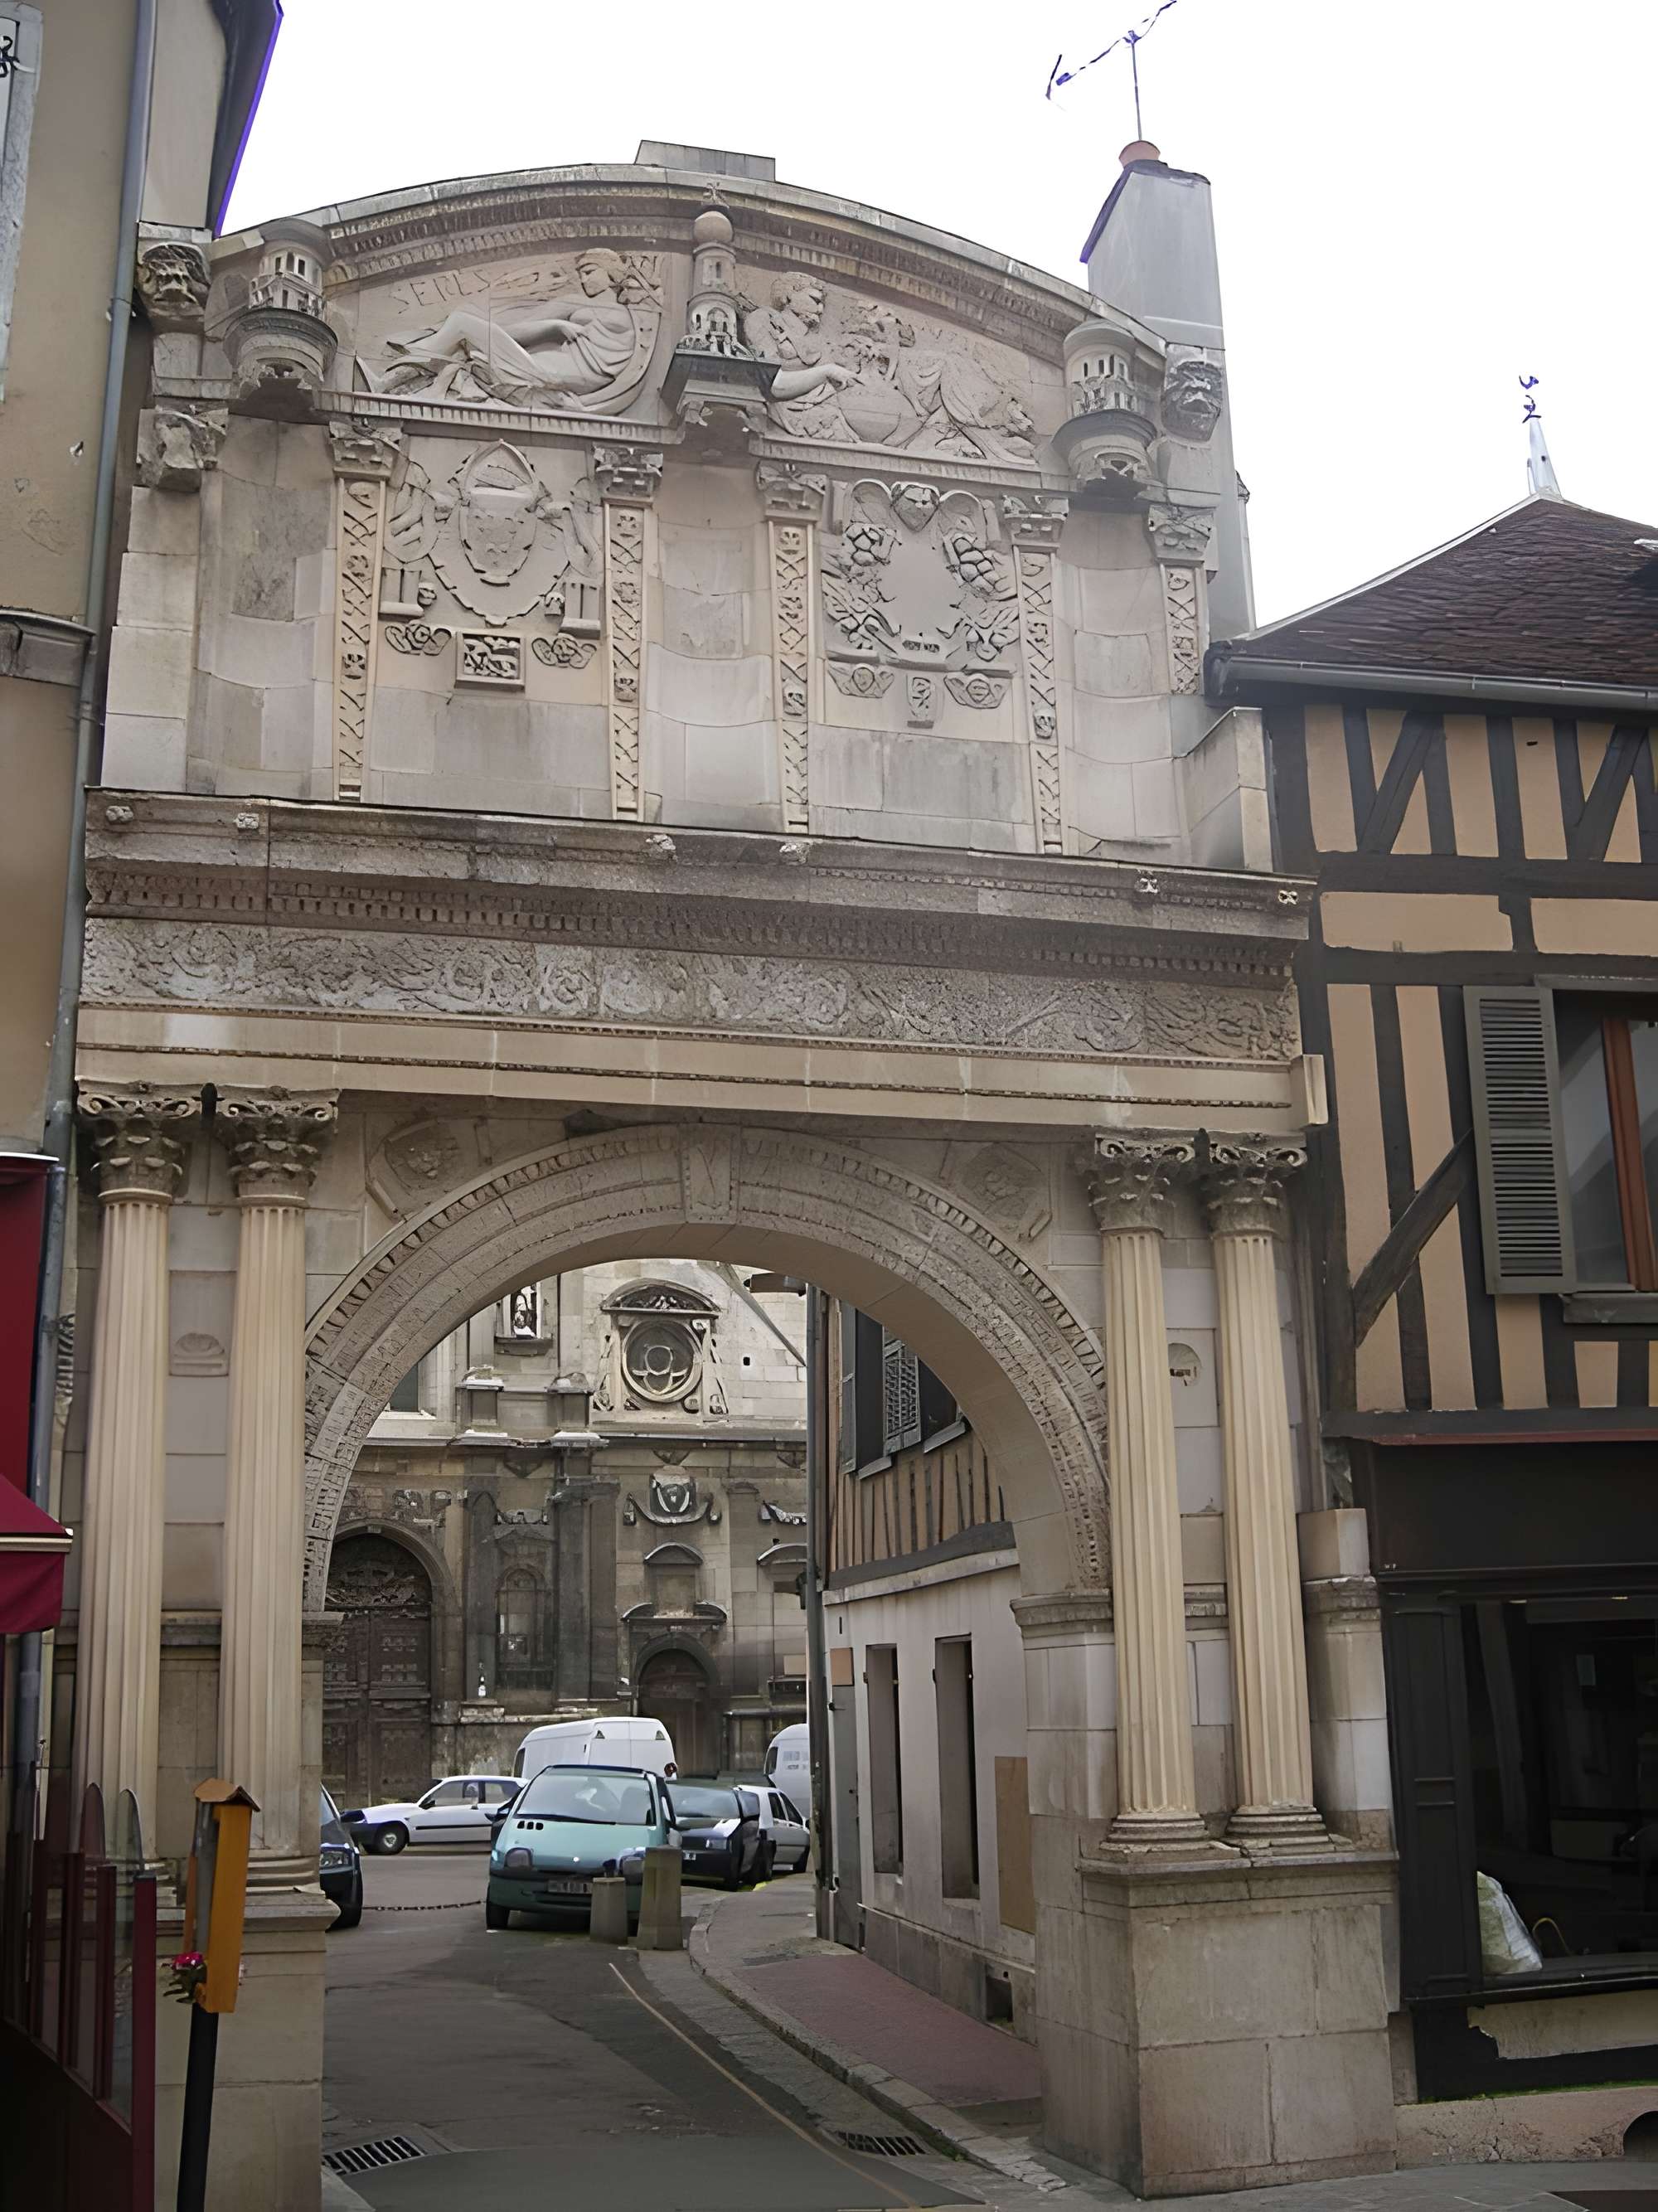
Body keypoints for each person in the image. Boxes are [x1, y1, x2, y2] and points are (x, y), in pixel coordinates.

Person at [376, 250, 639, 405]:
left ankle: (390, 380)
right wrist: (554, 325)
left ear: (611, 273)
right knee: (463, 322)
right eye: (581, 273)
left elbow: (514, 332)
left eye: (590, 271)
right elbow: (517, 330)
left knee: (462, 321)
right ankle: (400, 378)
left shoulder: (607, 311)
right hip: (548, 370)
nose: (583, 279)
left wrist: (554, 325)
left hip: (555, 374)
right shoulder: (577, 304)